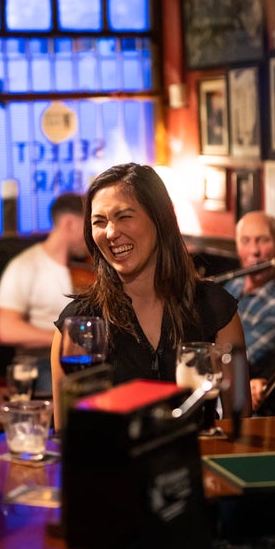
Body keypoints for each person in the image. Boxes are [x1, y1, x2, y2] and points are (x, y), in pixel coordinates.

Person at [50, 163, 245, 428]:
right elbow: (67, 436)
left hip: (198, 463)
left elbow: (241, 418)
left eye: (124, 216)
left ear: (160, 219)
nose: (110, 233)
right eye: (99, 222)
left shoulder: (214, 307)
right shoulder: (79, 321)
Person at [0, 193, 87, 397]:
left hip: (84, 362)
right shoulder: (25, 265)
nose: (91, 235)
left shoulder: (86, 267)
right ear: (69, 223)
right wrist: (65, 341)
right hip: (41, 364)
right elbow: (6, 329)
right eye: (87, 225)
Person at [223, 212, 275, 415]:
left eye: (263, 240)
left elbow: (237, 361)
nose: (254, 251)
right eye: (245, 241)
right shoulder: (232, 285)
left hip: (247, 413)